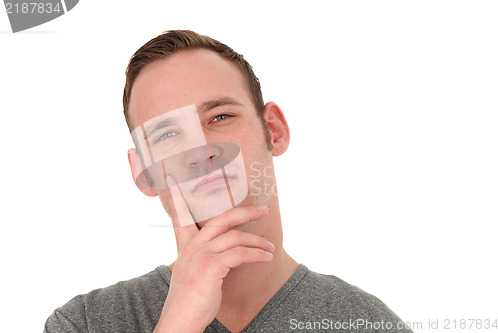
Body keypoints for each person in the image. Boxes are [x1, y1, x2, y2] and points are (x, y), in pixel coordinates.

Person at [44, 30, 413, 333]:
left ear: (274, 130)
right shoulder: (84, 324)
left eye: (220, 117)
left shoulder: (368, 324)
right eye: (167, 136)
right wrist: (178, 325)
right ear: (143, 173)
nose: (201, 151)